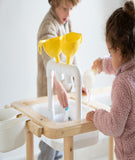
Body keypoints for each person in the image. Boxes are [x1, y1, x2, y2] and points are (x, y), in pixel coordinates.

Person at [86, 0, 135, 159]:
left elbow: (114, 126)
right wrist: (103, 64)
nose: (110, 57)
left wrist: (96, 116)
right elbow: (123, 65)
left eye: (111, 54)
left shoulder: (122, 85)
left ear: (119, 50)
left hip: (132, 155)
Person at [37, 0, 81, 159]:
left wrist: (77, 84)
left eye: (70, 9)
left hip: (63, 93)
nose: (68, 13)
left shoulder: (66, 23)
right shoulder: (48, 26)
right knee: (49, 143)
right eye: (64, 8)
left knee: (61, 144)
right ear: (54, 3)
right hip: (49, 94)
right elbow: (48, 63)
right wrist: (58, 87)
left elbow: (72, 56)